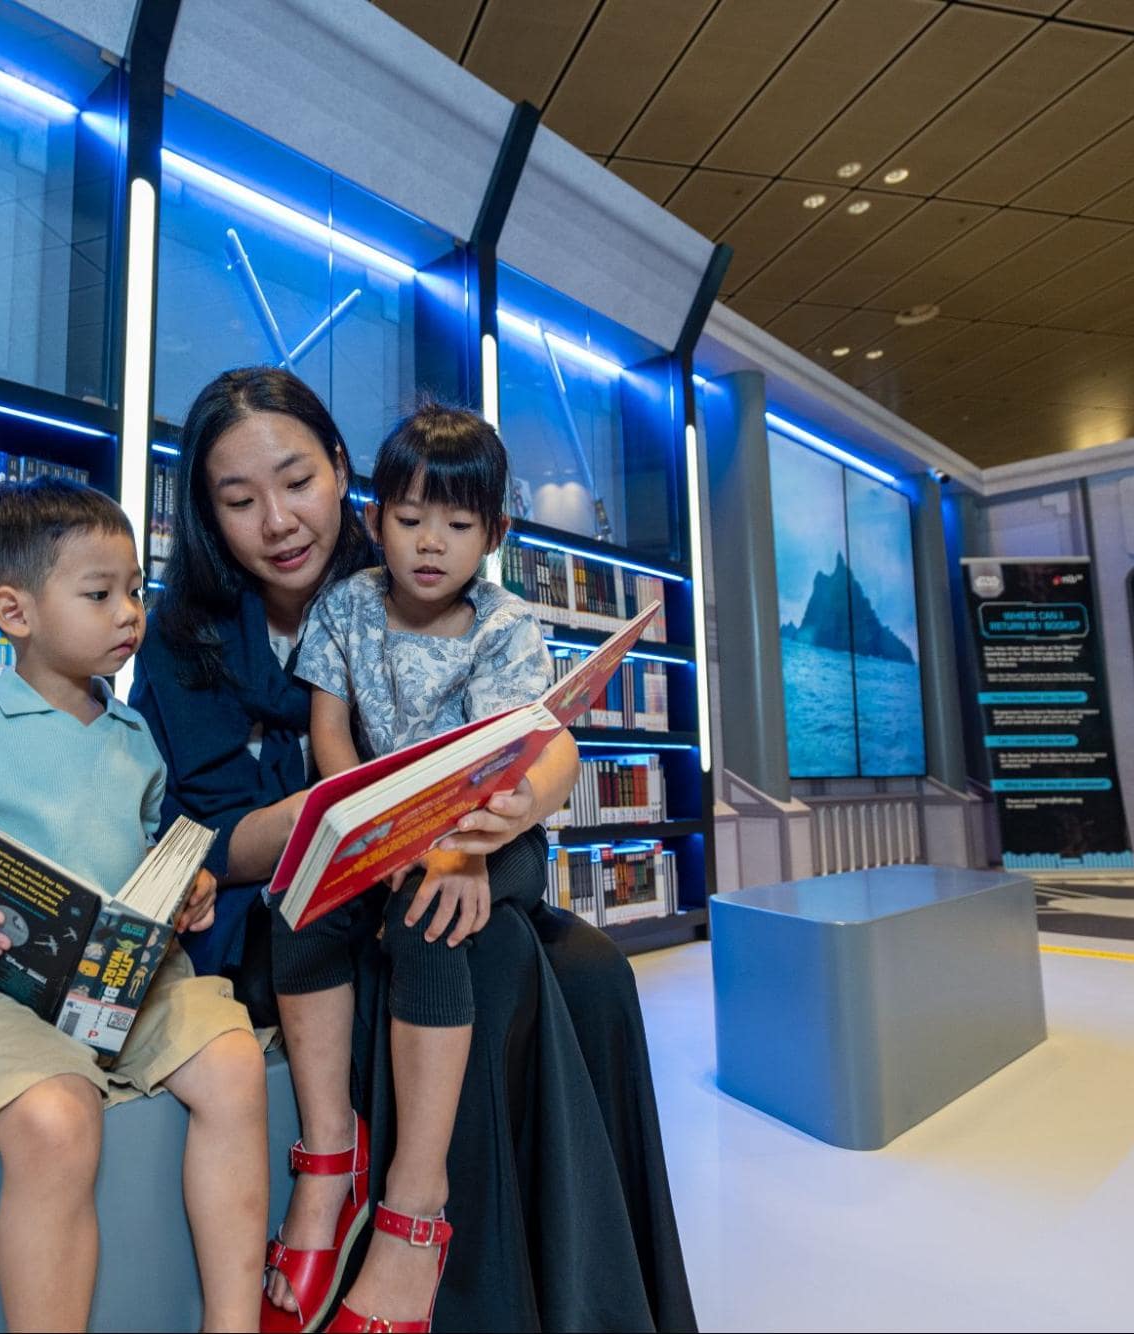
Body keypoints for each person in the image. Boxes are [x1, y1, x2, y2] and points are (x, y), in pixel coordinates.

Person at [131, 368, 696, 1332]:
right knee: (495, 956)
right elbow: (215, 839)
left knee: (595, 968)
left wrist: (507, 805)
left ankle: (578, 1289)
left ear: (343, 471)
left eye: (297, 480)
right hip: (286, 898)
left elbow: (536, 732)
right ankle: (411, 1231)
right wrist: (359, 819)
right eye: (237, 500)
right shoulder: (185, 640)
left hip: (444, 850)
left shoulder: (416, 553)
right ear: (204, 514)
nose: (276, 520)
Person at [0, 477, 269, 1333]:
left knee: (233, 1066)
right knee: (55, 1121)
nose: (128, 614)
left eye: (133, 592)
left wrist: (184, 887)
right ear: (15, 611)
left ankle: (231, 1322)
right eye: (99, 594)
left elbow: (147, 848)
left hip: (126, 983)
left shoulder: (135, 737)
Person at [270, 403, 568, 1331]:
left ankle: (415, 1204)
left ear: (496, 534)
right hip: (386, 830)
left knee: (432, 918)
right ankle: (330, 1159)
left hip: (489, 842)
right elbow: (329, 727)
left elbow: (540, 749)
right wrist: (361, 829)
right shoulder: (348, 605)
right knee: (299, 898)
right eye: (407, 521)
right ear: (373, 521)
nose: (429, 545)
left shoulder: (506, 626)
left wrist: (473, 843)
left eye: (458, 525)